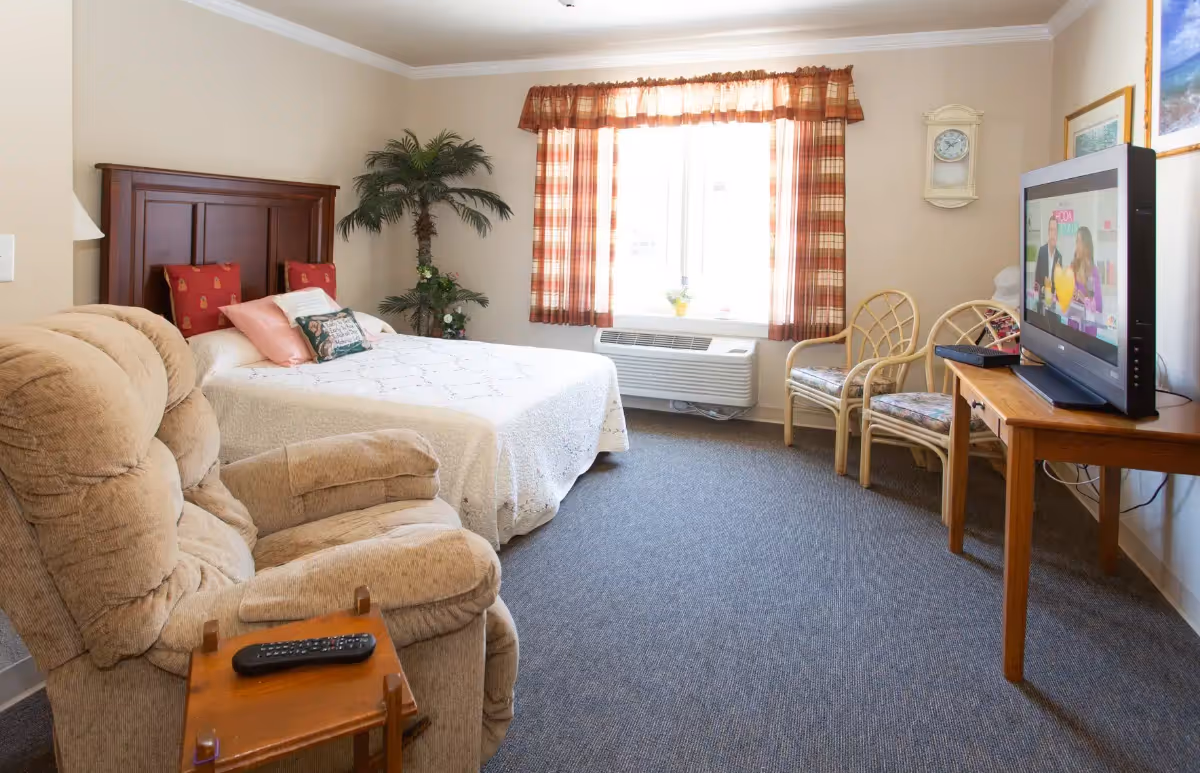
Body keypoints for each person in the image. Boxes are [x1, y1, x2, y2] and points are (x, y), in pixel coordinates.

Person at [1033, 214, 1061, 310]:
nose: (1053, 233)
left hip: (1053, 304)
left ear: (1057, 233)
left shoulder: (1059, 257)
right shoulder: (1042, 251)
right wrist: (1045, 290)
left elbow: (1059, 285)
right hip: (1041, 301)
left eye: (1055, 230)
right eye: (1051, 230)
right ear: (1048, 232)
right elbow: (1037, 279)